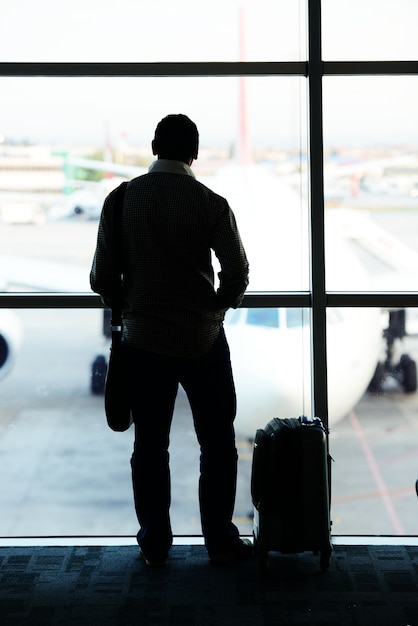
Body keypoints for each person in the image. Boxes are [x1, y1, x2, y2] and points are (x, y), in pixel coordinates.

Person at [90, 114, 250, 566]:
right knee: (217, 444)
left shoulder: (120, 201)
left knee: (149, 446)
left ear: (154, 146)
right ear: (194, 153)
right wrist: (216, 306)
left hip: (142, 343)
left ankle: (155, 541)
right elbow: (237, 272)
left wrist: (133, 300)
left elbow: (102, 277)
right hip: (202, 339)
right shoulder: (211, 203)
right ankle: (218, 538)